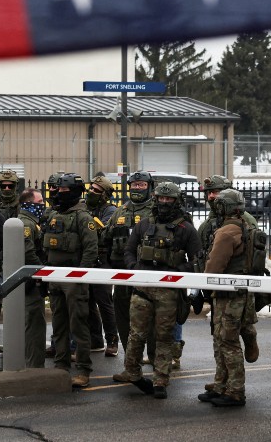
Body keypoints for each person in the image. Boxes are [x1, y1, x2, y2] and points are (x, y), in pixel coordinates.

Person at [114, 181, 200, 399]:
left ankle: (161, 378)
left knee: (164, 337)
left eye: (168, 199)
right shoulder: (144, 224)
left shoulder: (186, 229)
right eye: (161, 198)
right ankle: (132, 371)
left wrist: (178, 271)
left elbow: (198, 259)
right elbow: (129, 250)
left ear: (176, 201)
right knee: (136, 335)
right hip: (142, 290)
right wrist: (134, 268)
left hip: (168, 292)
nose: (164, 202)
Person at [198, 174, 260, 397]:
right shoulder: (240, 225)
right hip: (234, 291)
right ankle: (221, 382)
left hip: (227, 291)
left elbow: (214, 266)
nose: (212, 199)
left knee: (227, 340)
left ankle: (234, 390)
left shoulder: (228, 229)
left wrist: (202, 283)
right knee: (221, 338)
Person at [43, 173, 99, 388]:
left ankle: (83, 370)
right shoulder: (54, 215)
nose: (60, 194)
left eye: (65, 191)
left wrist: (80, 276)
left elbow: (90, 250)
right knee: (58, 324)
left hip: (74, 279)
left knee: (78, 325)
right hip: (54, 277)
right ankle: (61, 366)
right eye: (59, 190)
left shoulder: (83, 218)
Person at [108, 171, 154, 360]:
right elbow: (106, 236)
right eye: (134, 185)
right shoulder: (120, 211)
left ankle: (154, 356)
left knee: (150, 316)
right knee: (122, 314)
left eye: (141, 185)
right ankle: (131, 358)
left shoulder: (155, 210)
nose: (137, 188)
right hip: (123, 272)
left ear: (149, 186)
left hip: (148, 272)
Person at [85, 175, 120, 355]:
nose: (91, 192)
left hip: (102, 260)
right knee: (88, 300)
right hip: (86, 259)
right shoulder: (83, 207)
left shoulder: (110, 210)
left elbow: (104, 232)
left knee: (104, 302)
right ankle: (96, 339)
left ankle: (112, 340)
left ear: (105, 195)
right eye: (91, 188)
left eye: (96, 190)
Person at [18, 187, 49, 368]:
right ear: (28, 204)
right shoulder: (27, 224)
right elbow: (29, 253)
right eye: (39, 203)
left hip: (27, 279)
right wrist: (42, 274)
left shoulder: (28, 221)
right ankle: (35, 365)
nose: (43, 205)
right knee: (35, 323)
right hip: (31, 280)